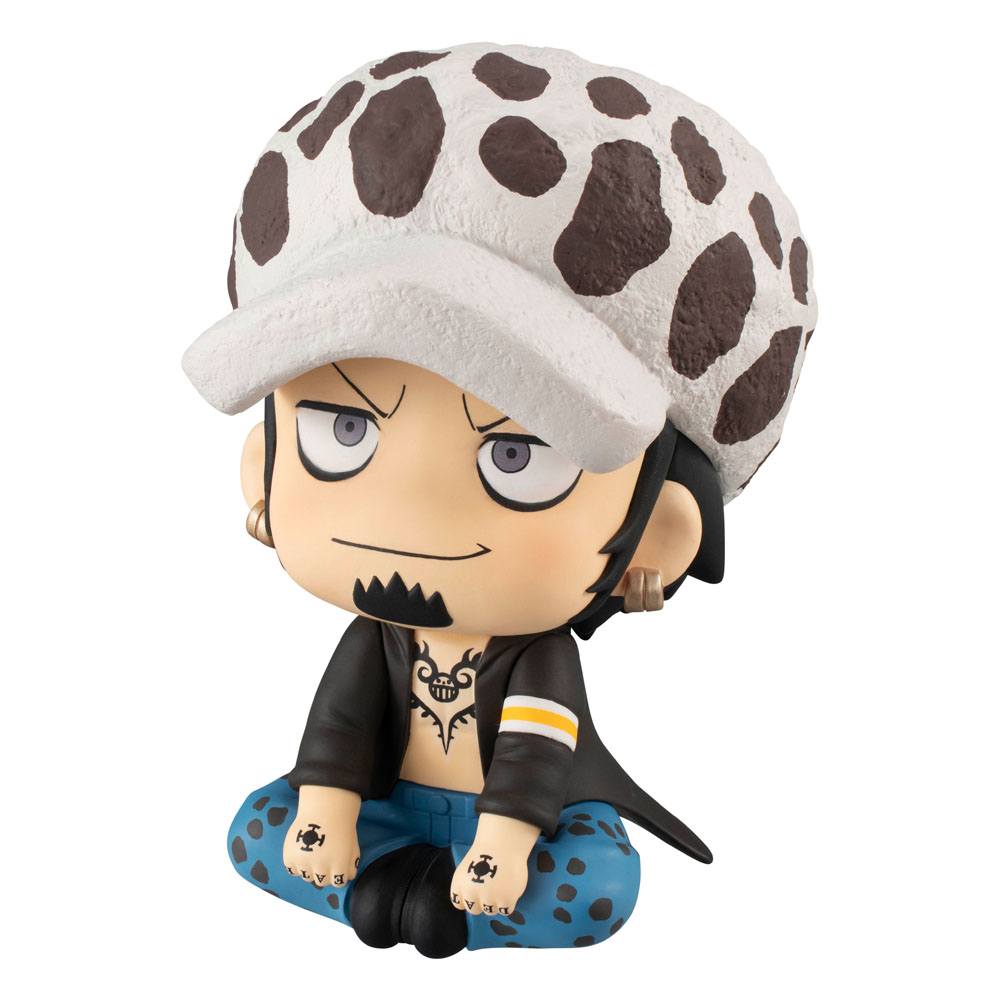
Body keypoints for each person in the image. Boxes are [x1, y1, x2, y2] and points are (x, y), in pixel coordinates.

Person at [183, 42, 816, 957]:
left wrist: (506, 841)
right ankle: (407, 895)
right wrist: (325, 808)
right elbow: (341, 727)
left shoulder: (539, 659)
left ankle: (425, 900)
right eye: (342, 431)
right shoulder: (376, 639)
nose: (406, 509)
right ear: (262, 468)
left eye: (515, 456)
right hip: (384, 808)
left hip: (521, 829)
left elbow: (534, 754)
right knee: (259, 830)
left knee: (595, 886)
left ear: (660, 534)